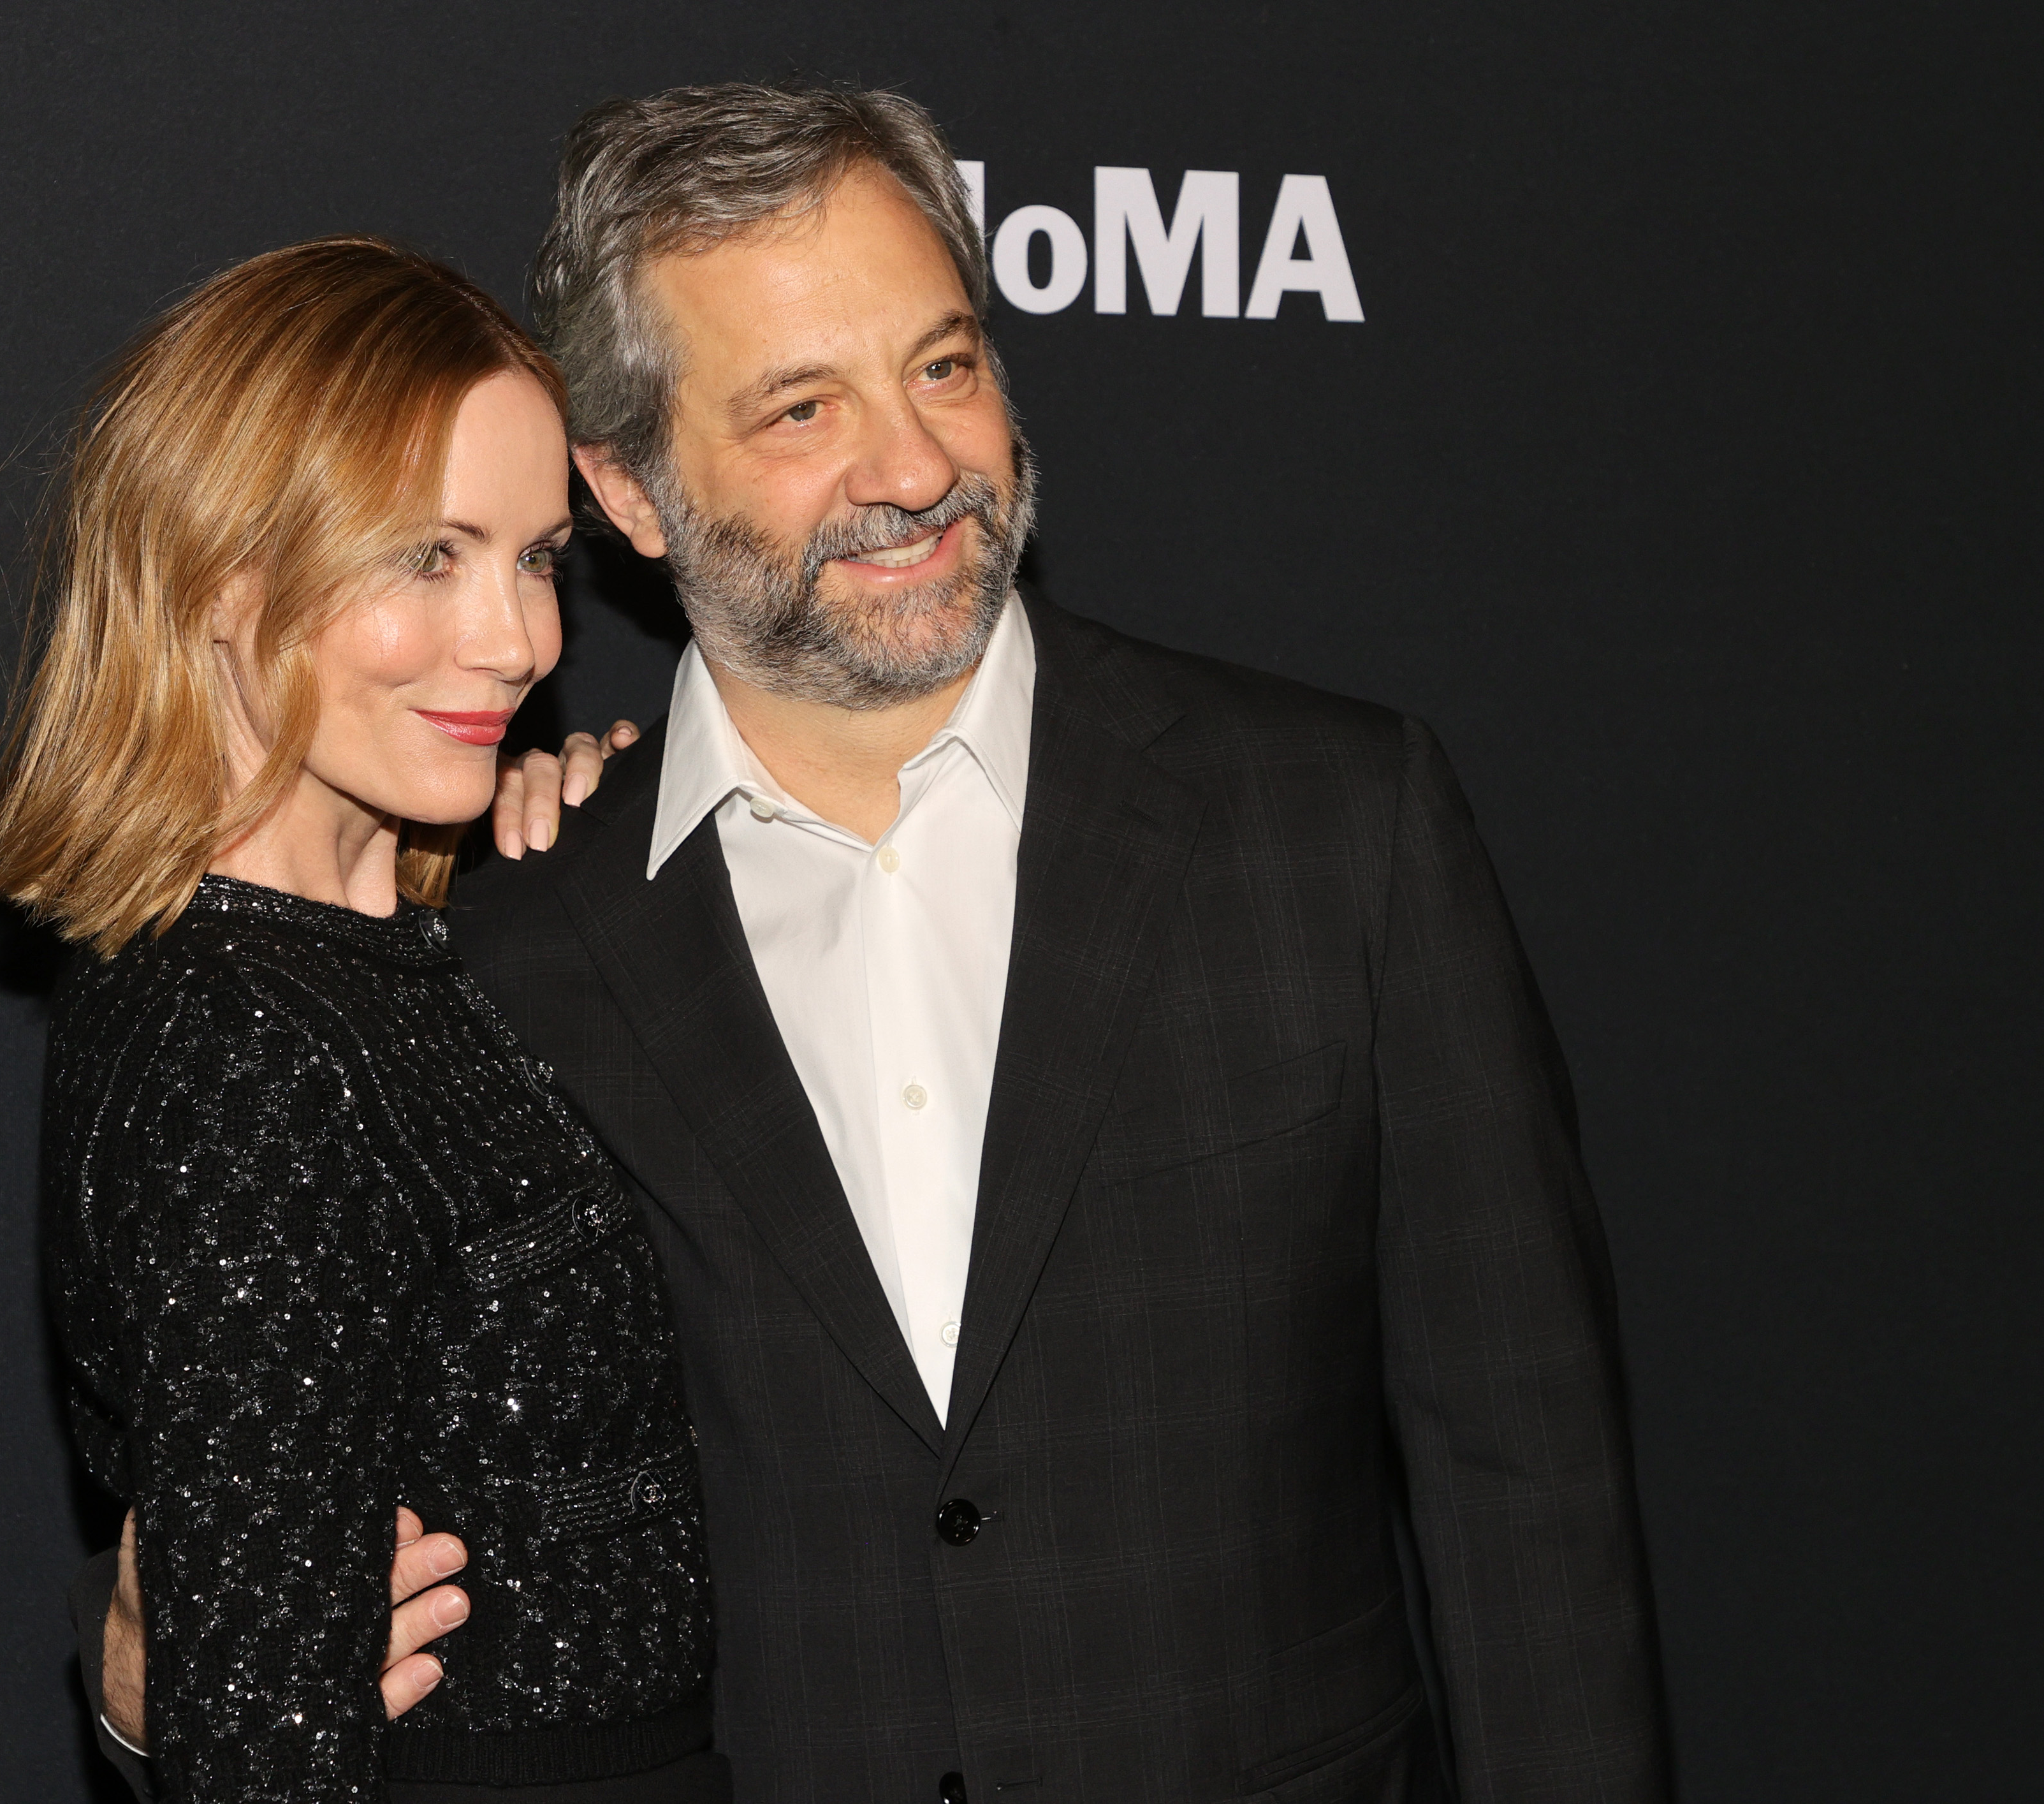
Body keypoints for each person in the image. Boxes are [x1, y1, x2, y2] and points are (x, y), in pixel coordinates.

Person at [101, 84, 1672, 1803]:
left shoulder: (1331, 825)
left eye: (943, 365)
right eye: (800, 407)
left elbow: (1528, 1502)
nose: (916, 467)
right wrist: (158, 1686)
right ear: (624, 487)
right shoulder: (507, 942)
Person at [0, 237, 727, 1803]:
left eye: (534, 557)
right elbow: (263, 1743)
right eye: (426, 557)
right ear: (221, 579)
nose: (520, 640)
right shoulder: (243, 1041)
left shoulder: (399, 955)